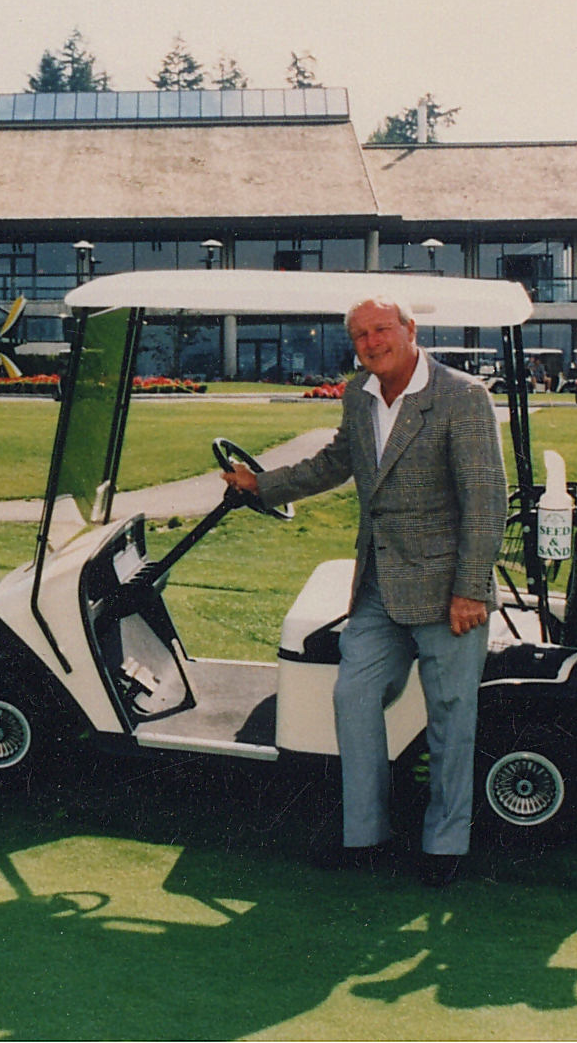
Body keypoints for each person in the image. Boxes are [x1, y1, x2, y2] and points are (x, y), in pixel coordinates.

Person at [222, 296, 507, 886]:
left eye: (381, 330)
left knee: (453, 715)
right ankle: (366, 834)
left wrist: (470, 590)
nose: (371, 343)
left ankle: (445, 843)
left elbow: (486, 503)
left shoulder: (462, 397)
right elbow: (335, 462)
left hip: (449, 591)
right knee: (353, 695)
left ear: (410, 330)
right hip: (379, 584)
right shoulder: (359, 394)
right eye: (360, 335)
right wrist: (262, 485)